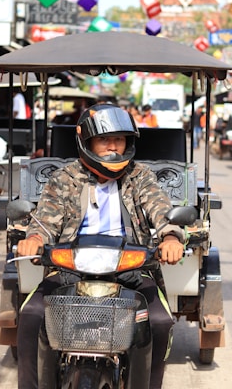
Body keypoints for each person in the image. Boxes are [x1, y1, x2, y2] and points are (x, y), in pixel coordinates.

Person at [17, 103, 185, 389]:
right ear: (87, 141)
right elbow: (45, 221)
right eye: (105, 139)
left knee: (159, 322)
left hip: (132, 270)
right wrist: (34, 240)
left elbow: (160, 208)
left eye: (119, 139)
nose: (113, 147)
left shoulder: (140, 176)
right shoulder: (64, 178)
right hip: (70, 268)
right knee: (31, 315)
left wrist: (170, 237)